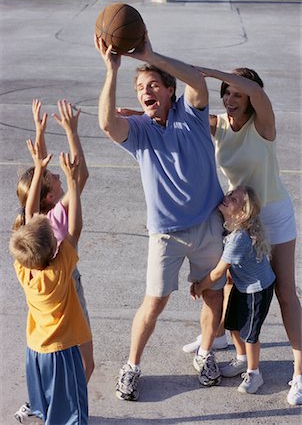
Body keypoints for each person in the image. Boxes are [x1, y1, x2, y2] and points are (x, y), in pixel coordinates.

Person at [94, 31, 227, 401]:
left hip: (207, 226)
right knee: (153, 303)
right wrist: (113, 70)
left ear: (170, 91)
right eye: (140, 88)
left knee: (214, 296)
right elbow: (107, 124)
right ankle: (131, 366)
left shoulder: (193, 115)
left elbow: (198, 81)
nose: (145, 91)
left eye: (153, 85)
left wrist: (150, 54)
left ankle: (206, 354)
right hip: (166, 234)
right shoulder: (137, 131)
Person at [185, 66, 302, 405]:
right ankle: (222, 338)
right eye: (226, 92)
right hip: (239, 215)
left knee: (284, 291)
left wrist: (206, 71)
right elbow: (181, 125)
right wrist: (143, 117)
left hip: (274, 214)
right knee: (235, 281)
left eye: (238, 93)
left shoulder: (263, 124)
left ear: (251, 98)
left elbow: (259, 94)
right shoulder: (219, 124)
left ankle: (299, 375)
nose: (230, 98)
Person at [14, 99, 94, 423]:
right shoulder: (58, 226)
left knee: (75, 364)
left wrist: (40, 133)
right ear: (50, 196)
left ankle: (44, 404)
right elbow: (76, 221)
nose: (58, 179)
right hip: (66, 292)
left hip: (40, 334)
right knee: (86, 363)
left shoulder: (25, 247)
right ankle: (62, 407)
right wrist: (72, 133)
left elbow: (37, 190)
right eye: (55, 181)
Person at [191, 186, 275, 394]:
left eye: (234, 199)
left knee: (250, 334)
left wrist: (200, 286)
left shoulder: (239, 237)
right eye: (230, 194)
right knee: (234, 325)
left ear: (243, 213)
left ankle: (255, 374)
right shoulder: (229, 227)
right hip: (243, 286)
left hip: (257, 290)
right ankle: (241, 360)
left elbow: (219, 272)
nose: (227, 198)